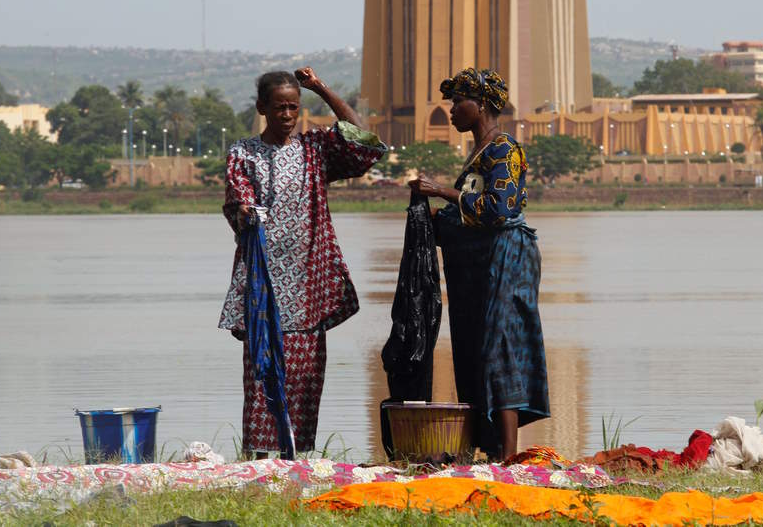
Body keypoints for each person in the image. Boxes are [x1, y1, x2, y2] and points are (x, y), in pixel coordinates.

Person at [219, 67, 386, 457]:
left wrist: (322, 88)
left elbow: (367, 141)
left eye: (294, 107)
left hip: (309, 286)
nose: (287, 115)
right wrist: (244, 211)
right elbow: (236, 202)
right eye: (279, 108)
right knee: (262, 375)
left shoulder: (316, 149)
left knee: (305, 379)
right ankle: (260, 460)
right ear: (262, 108)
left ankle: (297, 458)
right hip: (263, 288)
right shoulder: (244, 153)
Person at [409, 68, 549, 459]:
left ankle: (506, 457)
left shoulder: (505, 149)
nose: (452, 110)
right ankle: (482, 448)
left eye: (458, 102)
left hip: (506, 258)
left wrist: (441, 191)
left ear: (482, 104)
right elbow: (472, 214)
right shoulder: (479, 153)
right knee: (472, 347)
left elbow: (500, 210)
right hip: (479, 265)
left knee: (499, 347)